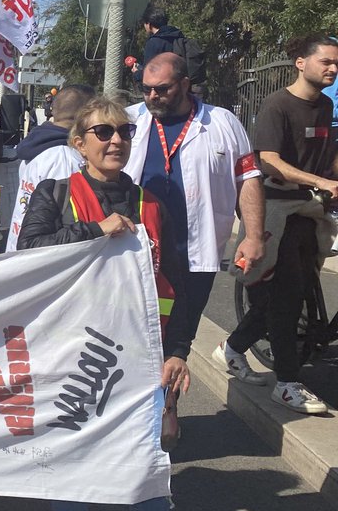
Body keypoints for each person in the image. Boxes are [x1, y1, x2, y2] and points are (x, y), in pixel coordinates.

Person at [16, 95, 194, 511]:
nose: (115, 139)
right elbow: (28, 254)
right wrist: (95, 230)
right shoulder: (54, 194)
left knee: (149, 456)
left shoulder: (154, 202)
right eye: (102, 132)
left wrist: (179, 350)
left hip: (142, 356)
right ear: (79, 143)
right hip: (73, 351)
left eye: (124, 131)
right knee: (72, 452)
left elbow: (178, 281)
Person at [125, 53, 266, 385]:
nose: (152, 97)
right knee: (133, 335)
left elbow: (248, 178)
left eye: (161, 89)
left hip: (193, 255)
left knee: (179, 339)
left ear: (185, 84)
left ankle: (167, 407)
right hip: (136, 252)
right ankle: (138, 413)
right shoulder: (129, 121)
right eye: (145, 89)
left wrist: (254, 235)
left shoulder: (223, 123)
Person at [223, 34, 338, 415]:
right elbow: (268, 160)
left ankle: (234, 346)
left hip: (308, 208)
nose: (333, 69)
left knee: (291, 292)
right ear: (301, 64)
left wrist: (327, 179)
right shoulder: (278, 105)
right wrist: (318, 181)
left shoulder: (324, 107)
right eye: (325, 61)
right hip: (274, 208)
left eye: (336, 63)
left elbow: (327, 159)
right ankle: (287, 383)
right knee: (286, 295)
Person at [6, 85, 95, 251]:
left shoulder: (37, 146)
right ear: (86, 116)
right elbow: (67, 216)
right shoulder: (64, 159)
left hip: (21, 249)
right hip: (42, 256)